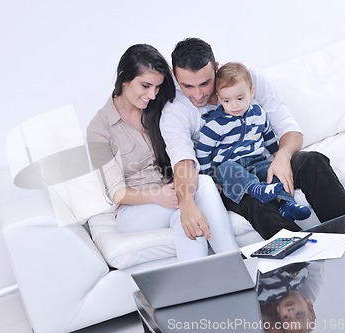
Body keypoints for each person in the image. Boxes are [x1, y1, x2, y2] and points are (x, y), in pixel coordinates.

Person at [160, 37, 345, 239]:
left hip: (261, 163)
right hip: (228, 178)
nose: (198, 94)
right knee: (255, 201)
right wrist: (187, 203)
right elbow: (183, 162)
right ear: (175, 77)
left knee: (312, 161)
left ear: (216, 68)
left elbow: (289, 128)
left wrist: (282, 157)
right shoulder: (174, 112)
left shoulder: (243, 79)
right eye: (188, 86)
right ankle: (303, 257)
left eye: (205, 83)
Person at [86, 44, 238, 262]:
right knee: (202, 186)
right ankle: (236, 265)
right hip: (136, 211)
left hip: (174, 192)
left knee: (184, 218)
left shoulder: (160, 107)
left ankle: (198, 289)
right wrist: (157, 196)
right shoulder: (99, 129)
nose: (152, 94)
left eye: (157, 87)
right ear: (123, 78)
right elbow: (116, 193)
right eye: (145, 86)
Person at [196, 62, 311, 222]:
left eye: (240, 98)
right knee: (229, 169)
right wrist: (210, 177)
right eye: (226, 101)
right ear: (219, 98)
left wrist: (278, 155)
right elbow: (202, 152)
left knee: (273, 171)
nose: (234, 105)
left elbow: (268, 135)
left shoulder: (258, 113)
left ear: (251, 92)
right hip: (227, 167)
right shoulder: (215, 125)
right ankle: (255, 188)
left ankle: (287, 204)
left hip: (256, 162)